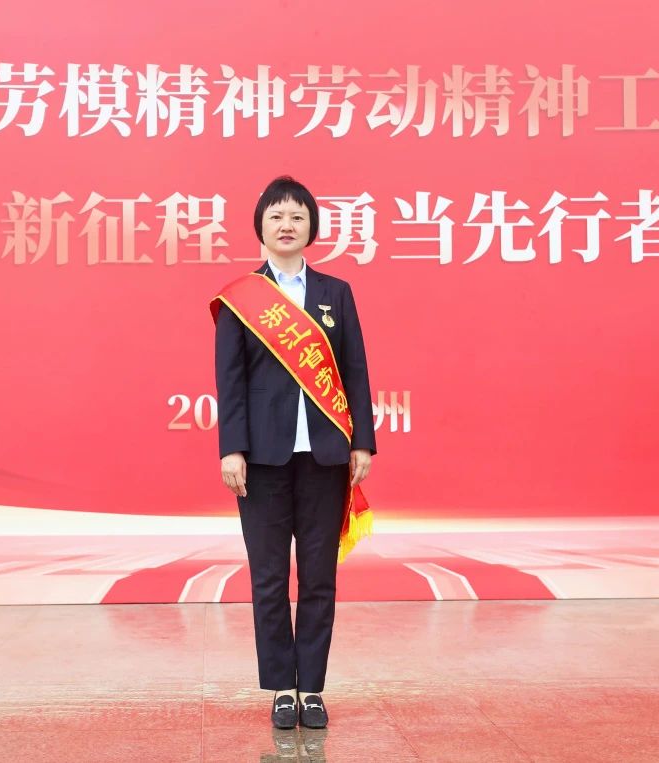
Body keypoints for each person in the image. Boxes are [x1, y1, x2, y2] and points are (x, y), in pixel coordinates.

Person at [211, 175, 376, 730]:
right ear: (260, 226)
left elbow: (355, 372)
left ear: (312, 228)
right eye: (277, 216)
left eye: (298, 217)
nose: (287, 225)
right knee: (269, 578)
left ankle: (313, 689)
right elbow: (230, 381)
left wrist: (362, 440)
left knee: (319, 578)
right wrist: (232, 449)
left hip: (325, 457)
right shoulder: (241, 298)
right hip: (261, 460)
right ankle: (282, 687)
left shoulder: (336, 293)